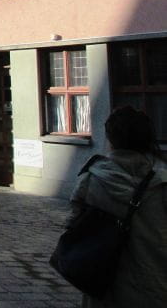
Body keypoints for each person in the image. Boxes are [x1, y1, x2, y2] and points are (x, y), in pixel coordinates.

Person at [64, 106, 167, 307]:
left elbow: (73, 226)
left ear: (111, 139)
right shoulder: (162, 184)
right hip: (155, 287)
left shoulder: (91, 178)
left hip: (104, 287)